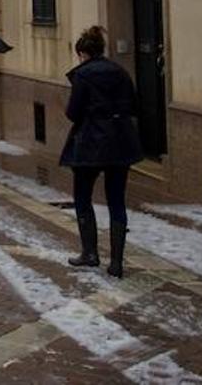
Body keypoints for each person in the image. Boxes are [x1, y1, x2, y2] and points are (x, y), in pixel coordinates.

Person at [60, 25, 144, 278]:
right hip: (120, 142)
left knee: (83, 197)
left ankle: (90, 252)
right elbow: (134, 105)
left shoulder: (83, 76)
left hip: (90, 143)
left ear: (83, 53)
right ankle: (116, 262)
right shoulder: (120, 72)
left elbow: (73, 112)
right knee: (116, 200)